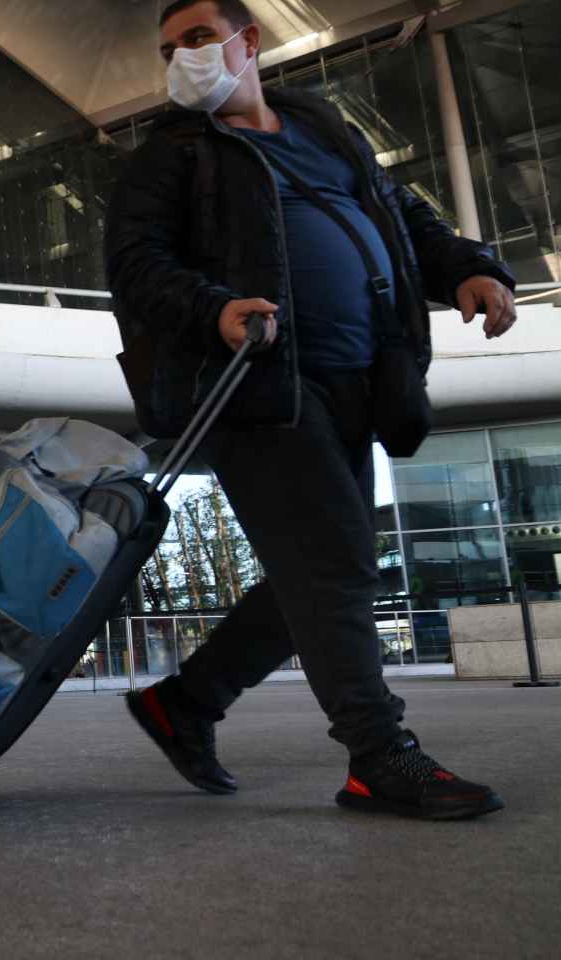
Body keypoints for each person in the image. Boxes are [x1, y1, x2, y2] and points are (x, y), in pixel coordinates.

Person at [107, 0, 518, 820]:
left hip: (354, 384)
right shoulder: (170, 157)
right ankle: (378, 757)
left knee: (330, 569)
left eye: (195, 39)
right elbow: (136, 266)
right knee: (333, 568)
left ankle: (186, 701)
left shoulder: (320, 131)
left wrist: (466, 265)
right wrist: (213, 307)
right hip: (256, 389)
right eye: (168, 50)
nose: (181, 58)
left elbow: (401, 217)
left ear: (246, 42)